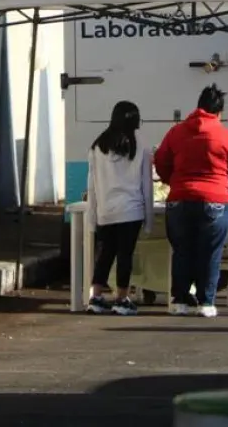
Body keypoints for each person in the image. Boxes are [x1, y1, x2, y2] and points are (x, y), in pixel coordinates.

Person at [153, 84, 228, 317]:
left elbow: (161, 161)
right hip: (215, 200)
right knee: (211, 252)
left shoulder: (176, 132)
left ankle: (179, 301)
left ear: (198, 106)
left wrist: (173, 181)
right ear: (219, 112)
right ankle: (206, 302)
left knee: (182, 251)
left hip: (179, 199)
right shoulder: (223, 134)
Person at [85, 101, 153, 316]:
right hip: (131, 210)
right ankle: (122, 299)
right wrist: (149, 219)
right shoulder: (140, 144)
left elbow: (92, 185)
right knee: (125, 255)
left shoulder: (98, 146)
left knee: (105, 254)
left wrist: (92, 215)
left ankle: (95, 297)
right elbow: (147, 185)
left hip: (106, 210)